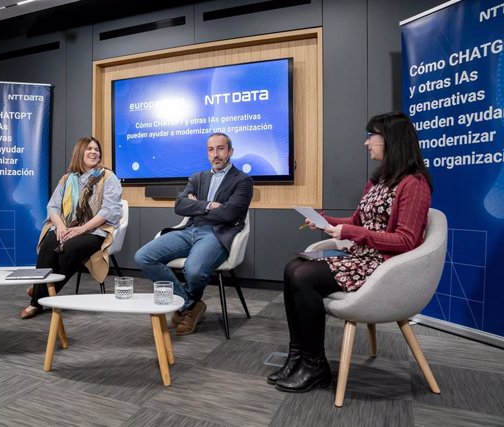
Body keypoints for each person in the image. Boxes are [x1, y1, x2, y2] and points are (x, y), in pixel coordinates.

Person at [268, 112, 433, 393]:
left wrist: (353, 234)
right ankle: (298, 356)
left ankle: (314, 364)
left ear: (391, 140)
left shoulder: (414, 184)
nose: (366, 143)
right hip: (364, 257)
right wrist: (326, 221)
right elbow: (358, 222)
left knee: (304, 276)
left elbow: (406, 240)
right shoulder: (379, 180)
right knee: (292, 268)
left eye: (372, 137)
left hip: (383, 266)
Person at [135, 133, 253, 335]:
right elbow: (180, 206)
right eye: (210, 149)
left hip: (216, 234)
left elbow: (229, 213)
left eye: (220, 148)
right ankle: (190, 305)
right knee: (143, 256)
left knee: (194, 270)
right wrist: (208, 205)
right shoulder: (198, 177)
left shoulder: (243, 181)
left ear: (230, 151)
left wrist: (195, 205)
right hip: (190, 230)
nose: (215, 154)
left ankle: (185, 306)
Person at [20, 136, 123, 319]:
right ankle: (41, 293)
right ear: (79, 152)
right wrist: (60, 226)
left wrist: (82, 229)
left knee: (71, 247)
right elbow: (53, 207)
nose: (94, 152)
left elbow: (109, 211)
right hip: (67, 227)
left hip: (96, 230)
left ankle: (37, 298)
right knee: (49, 242)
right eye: (89, 148)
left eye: (96, 149)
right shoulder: (67, 179)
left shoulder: (108, 177)